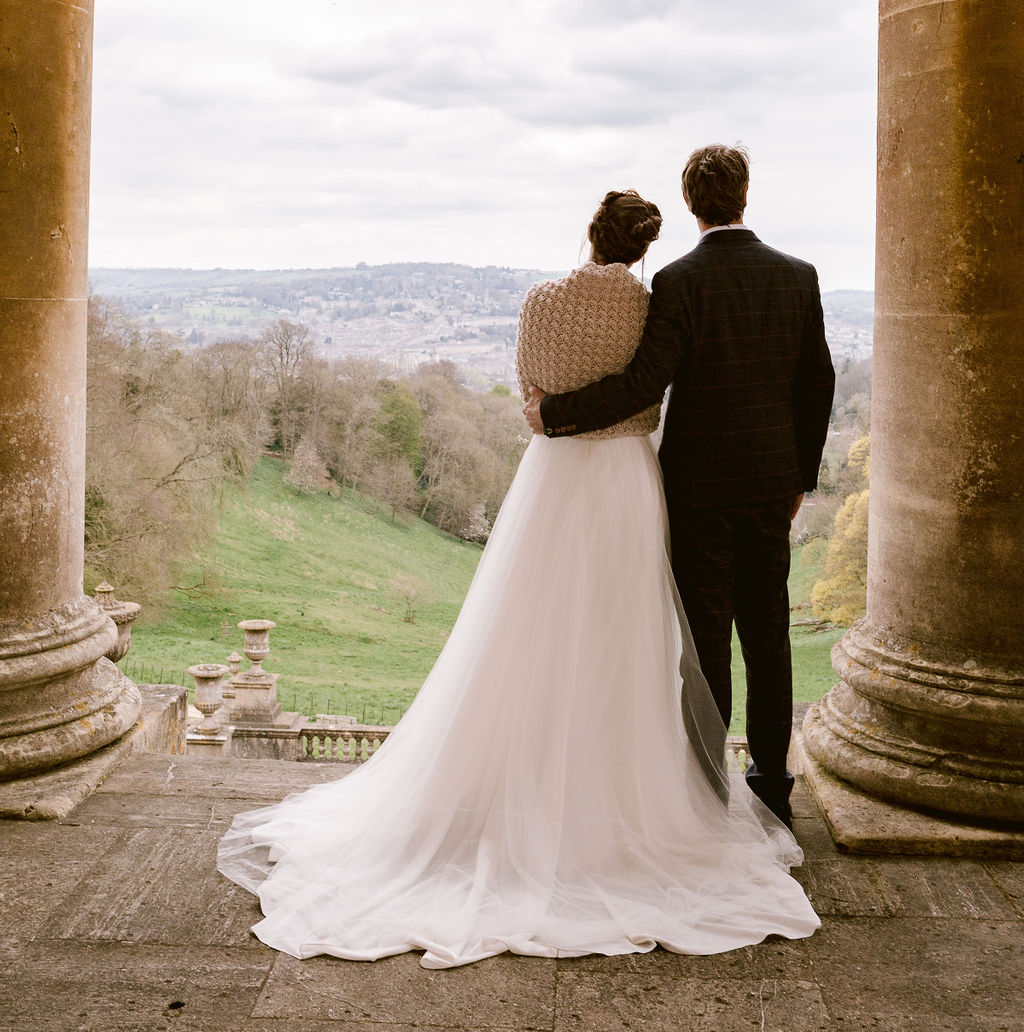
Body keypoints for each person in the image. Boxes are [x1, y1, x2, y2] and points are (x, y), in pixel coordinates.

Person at [217, 188, 820, 968]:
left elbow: (530, 387)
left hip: (554, 474)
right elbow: (659, 384)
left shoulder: (550, 299)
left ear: (592, 235)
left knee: (529, 627)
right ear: (643, 247)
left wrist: (557, 414)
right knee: (635, 634)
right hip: (631, 480)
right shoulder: (651, 298)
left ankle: (551, 782)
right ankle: (691, 790)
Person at [525, 147, 835, 828]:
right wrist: (800, 480)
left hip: (696, 492)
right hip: (768, 487)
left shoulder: (679, 280)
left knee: (705, 642)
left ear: (692, 204)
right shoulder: (799, 276)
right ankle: (773, 787)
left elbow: (643, 386)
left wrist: (554, 413)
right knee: (769, 635)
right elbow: (818, 385)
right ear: (745, 194)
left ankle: (706, 788)